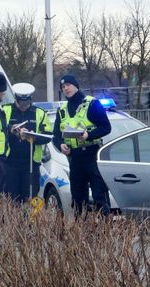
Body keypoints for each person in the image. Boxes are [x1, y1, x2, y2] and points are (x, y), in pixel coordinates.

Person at [52, 75, 112, 216]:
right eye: (63, 87)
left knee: (100, 197)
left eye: (68, 85)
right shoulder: (62, 110)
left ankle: (104, 233)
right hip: (75, 157)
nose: (66, 88)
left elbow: (106, 127)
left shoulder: (91, 104)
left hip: (92, 155)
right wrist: (61, 145)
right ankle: (81, 234)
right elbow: (56, 135)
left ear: (76, 85)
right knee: (78, 199)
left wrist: (88, 135)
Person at [3, 83, 52, 203]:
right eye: (21, 103)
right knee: (11, 197)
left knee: (30, 196)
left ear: (30, 99)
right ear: (16, 99)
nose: (24, 106)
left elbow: (48, 135)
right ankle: (13, 221)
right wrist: (11, 129)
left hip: (31, 163)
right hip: (10, 162)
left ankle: (29, 221)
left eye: (26, 103)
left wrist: (32, 136)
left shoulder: (39, 112)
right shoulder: (5, 110)